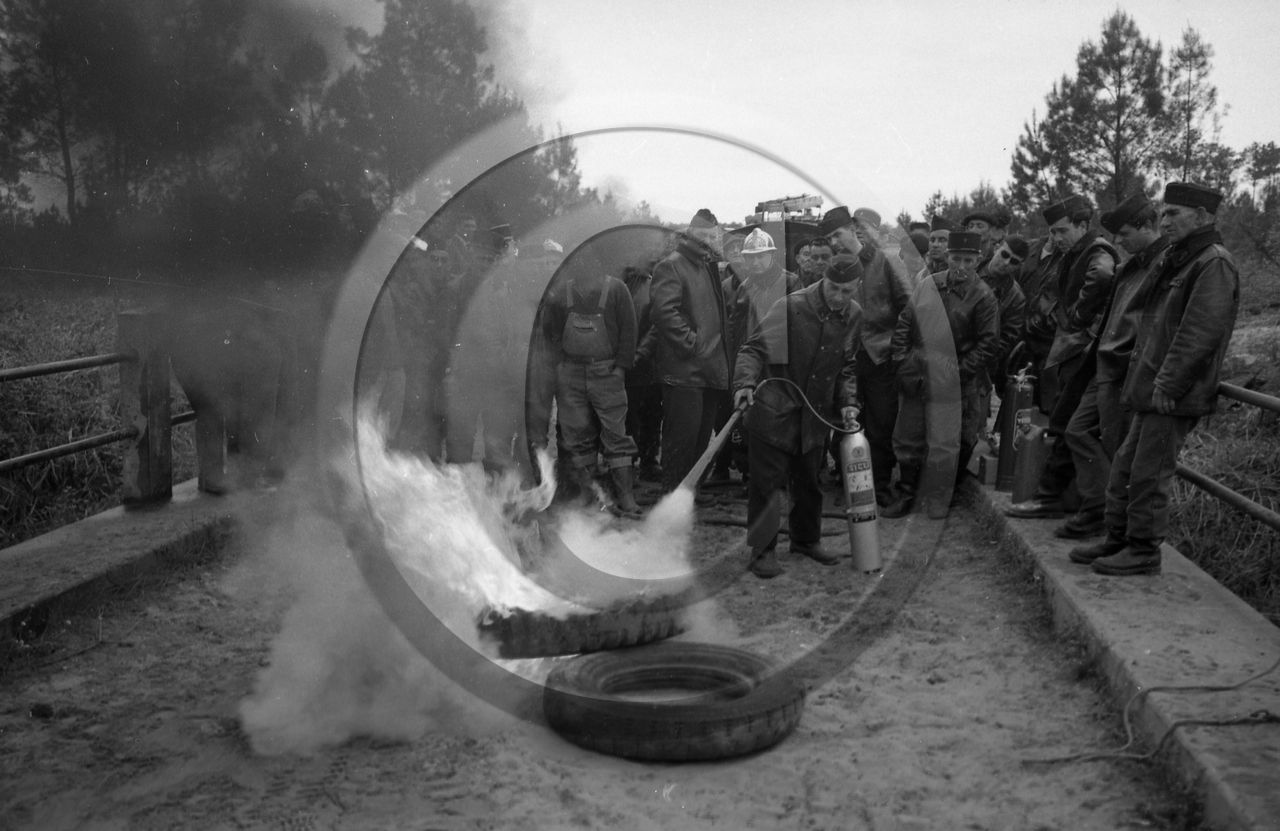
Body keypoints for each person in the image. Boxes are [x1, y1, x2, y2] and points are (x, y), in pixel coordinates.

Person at [1069, 182, 1238, 576]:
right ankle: (1119, 537)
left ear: (1203, 216)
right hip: (1152, 387)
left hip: (1172, 393)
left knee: (1148, 472)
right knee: (1126, 466)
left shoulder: (1212, 262)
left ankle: (1143, 550)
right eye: (1163, 213)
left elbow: (1200, 332)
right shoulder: (1181, 258)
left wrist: (1168, 384)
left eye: (1174, 214)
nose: (1165, 221)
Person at [732, 254, 863, 578]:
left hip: (816, 414)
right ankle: (762, 552)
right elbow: (753, 349)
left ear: (856, 288)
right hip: (775, 411)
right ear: (823, 280)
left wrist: (848, 401)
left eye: (847, 291)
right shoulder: (792, 306)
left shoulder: (854, 315)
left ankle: (806, 540)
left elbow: (847, 365)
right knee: (768, 485)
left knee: (809, 482)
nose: (839, 297)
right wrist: (745, 383)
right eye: (834, 288)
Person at [1055, 193, 1170, 539]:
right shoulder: (1132, 265)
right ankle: (1097, 510)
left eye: (1124, 233)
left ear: (1148, 226)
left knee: (1119, 449)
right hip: (1105, 366)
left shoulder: (1164, 263)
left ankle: (1112, 525)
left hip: (1127, 371)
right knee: (1078, 431)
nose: (1118, 241)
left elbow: (1156, 324)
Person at [1006, 195, 1117, 519]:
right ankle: (1058, 498)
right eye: (1052, 232)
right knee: (1063, 423)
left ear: (1083, 225)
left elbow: (1103, 277)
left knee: (1069, 424)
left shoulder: (1095, 250)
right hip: (1074, 355)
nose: (1055, 238)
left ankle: (1062, 499)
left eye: (1062, 230)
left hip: (1084, 356)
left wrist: (1078, 319)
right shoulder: (1075, 253)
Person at [882, 231, 1000, 518]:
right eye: (956, 258)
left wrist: (956, 373)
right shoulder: (928, 285)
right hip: (917, 373)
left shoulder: (983, 297)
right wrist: (902, 362)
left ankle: (937, 496)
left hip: (953, 378)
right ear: (946, 257)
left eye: (968, 260)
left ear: (978, 261)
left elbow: (987, 345)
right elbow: (904, 325)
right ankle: (907, 491)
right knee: (908, 437)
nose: (961, 265)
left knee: (944, 443)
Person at [820, 205, 914, 506]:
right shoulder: (834, 267)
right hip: (845, 358)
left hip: (880, 357)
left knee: (881, 423)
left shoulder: (884, 260)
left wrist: (897, 350)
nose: (834, 242)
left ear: (852, 229)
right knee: (844, 420)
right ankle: (849, 484)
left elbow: (909, 309)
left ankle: (881, 485)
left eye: (837, 234)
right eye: (829, 238)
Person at [541, 249, 643, 518]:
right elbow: (550, 332)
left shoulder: (617, 290)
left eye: (592, 258)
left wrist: (621, 368)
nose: (586, 264)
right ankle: (587, 496)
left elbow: (629, 331)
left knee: (616, 437)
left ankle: (626, 497)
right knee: (577, 438)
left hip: (607, 372)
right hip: (571, 374)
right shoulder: (563, 291)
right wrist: (561, 366)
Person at [649, 209, 732, 493]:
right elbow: (663, 312)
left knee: (699, 440)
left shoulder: (705, 266)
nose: (708, 240)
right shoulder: (672, 266)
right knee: (680, 441)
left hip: (708, 368)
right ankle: (672, 498)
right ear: (690, 234)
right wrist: (692, 344)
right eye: (703, 235)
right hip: (685, 371)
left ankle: (689, 497)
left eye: (713, 236)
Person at [920, 215, 954, 280]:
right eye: (932, 240)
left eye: (942, 240)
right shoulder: (921, 275)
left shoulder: (956, 275)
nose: (935, 245)